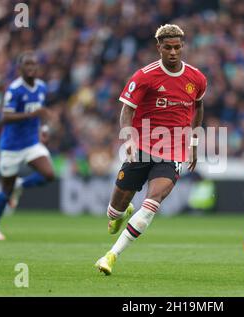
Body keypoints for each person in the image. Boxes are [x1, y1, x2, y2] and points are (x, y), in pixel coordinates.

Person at [95, 24, 207, 275]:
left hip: (173, 152)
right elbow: (127, 110)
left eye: (178, 47)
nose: (173, 52)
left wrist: (193, 142)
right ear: (159, 48)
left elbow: (198, 107)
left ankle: (111, 256)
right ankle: (120, 214)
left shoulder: (196, 78)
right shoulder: (144, 76)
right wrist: (130, 139)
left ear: (183, 46)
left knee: (152, 202)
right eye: (168, 47)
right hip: (143, 147)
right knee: (114, 213)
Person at [0, 51, 55, 240]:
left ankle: (20, 184)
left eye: (34, 65)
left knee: (49, 174)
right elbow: (5, 117)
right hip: (11, 147)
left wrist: (45, 129)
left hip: (32, 142)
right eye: (27, 65)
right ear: (20, 68)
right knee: (5, 191)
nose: (31, 68)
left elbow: (43, 112)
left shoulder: (41, 86)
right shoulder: (14, 89)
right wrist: (30, 115)